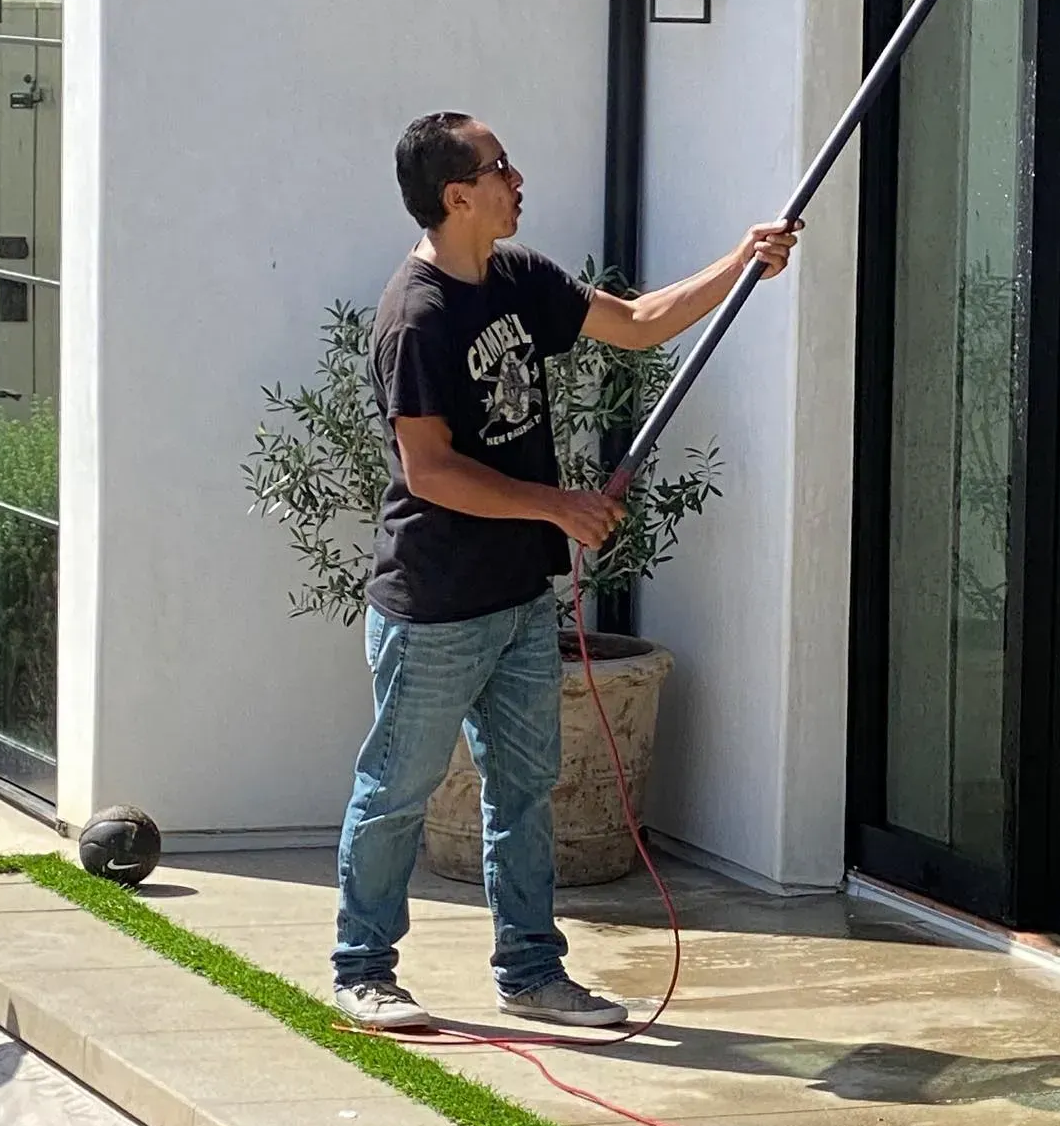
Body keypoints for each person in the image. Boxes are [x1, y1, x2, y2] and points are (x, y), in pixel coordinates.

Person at [333, 111, 802, 1030]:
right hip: (432, 606)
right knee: (395, 792)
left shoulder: (516, 279)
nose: (519, 178)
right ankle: (362, 970)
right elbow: (428, 469)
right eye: (499, 167)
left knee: (525, 791)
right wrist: (557, 505)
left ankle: (533, 974)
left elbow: (635, 324)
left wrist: (741, 263)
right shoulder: (415, 316)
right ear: (456, 195)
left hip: (515, 600)